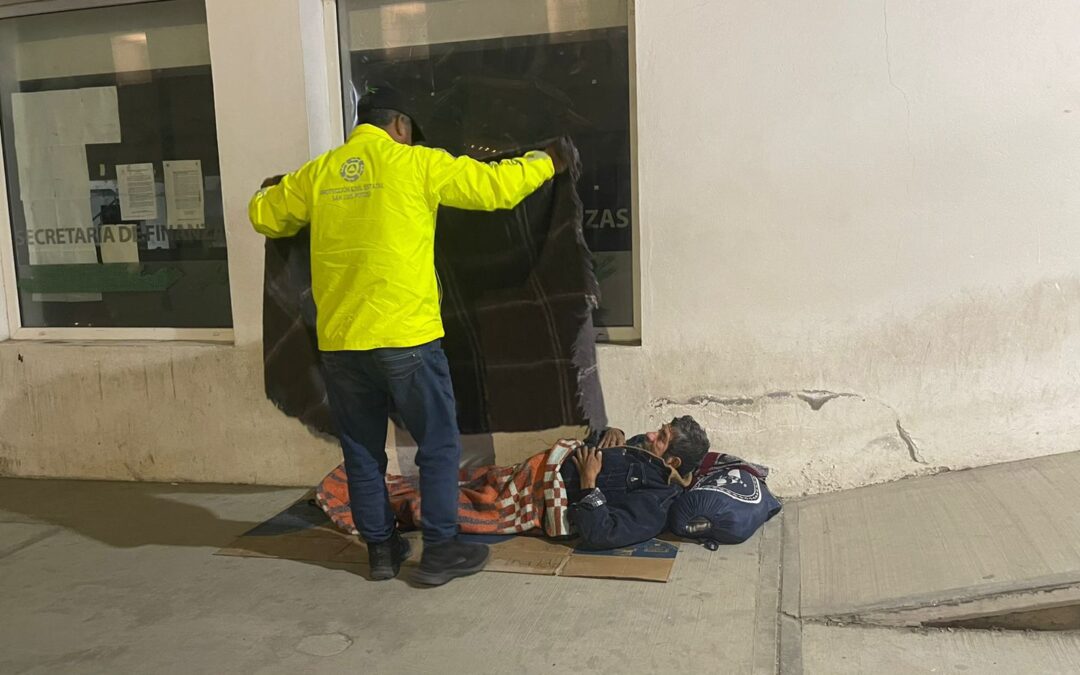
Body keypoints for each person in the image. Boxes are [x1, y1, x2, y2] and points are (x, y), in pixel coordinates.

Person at [249, 84, 568, 586]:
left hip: (342, 344)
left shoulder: (321, 172)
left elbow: (263, 214)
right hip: (407, 339)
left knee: (361, 449)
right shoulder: (416, 163)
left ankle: (380, 551)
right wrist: (547, 161)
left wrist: (275, 188)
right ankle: (440, 551)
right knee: (438, 444)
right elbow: (496, 188)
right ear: (401, 126)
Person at [563, 415, 711, 549]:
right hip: (559, 454)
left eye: (661, 437)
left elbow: (602, 535)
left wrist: (588, 482)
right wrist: (612, 432)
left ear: (673, 462)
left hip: (550, 488)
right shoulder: (647, 449)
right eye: (659, 430)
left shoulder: (656, 505)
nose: (650, 435)